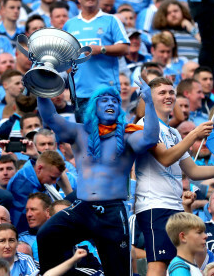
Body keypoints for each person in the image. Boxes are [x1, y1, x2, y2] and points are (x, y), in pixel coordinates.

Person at [36, 79, 160, 275]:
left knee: (117, 271)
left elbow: (150, 138)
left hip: (113, 212)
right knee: (47, 234)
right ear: (94, 106)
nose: (110, 103)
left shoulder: (127, 136)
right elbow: (50, 117)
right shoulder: (78, 132)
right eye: (104, 100)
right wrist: (41, 86)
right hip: (83, 207)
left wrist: (150, 104)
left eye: (114, 101)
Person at [135, 77, 214, 275]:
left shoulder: (174, 133)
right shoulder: (144, 125)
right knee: (158, 265)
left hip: (175, 207)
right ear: (149, 98)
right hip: (154, 205)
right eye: (162, 93)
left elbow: (193, 171)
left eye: (171, 92)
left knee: (178, 264)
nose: (168, 96)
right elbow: (165, 158)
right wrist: (193, 135)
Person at [62, 0, 129, 121]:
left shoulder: (111, 20)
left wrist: (102, 49)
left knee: (110, 136)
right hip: (80, 93)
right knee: (84, 138)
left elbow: (125, 47)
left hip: (106, 91)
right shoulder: (70, 24)